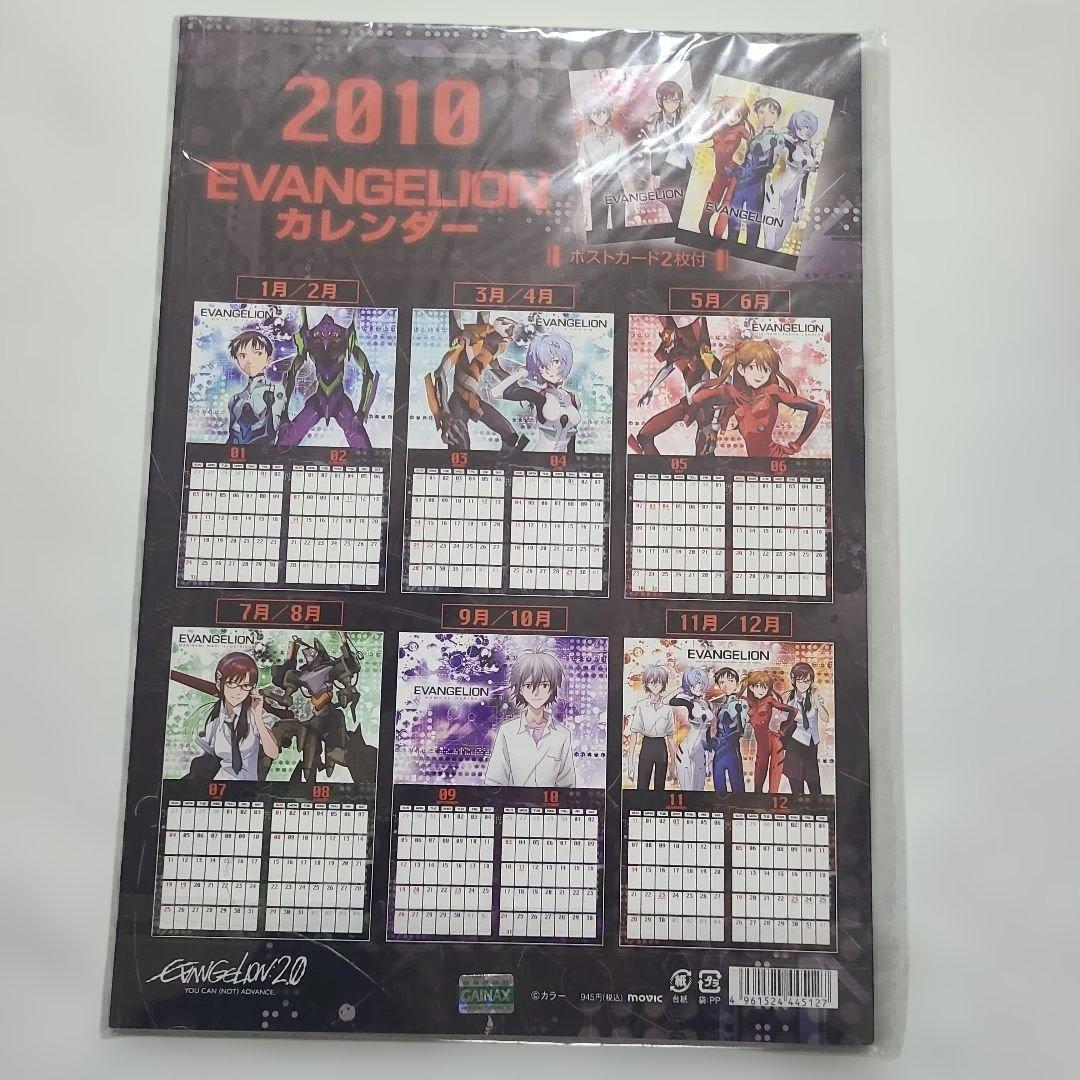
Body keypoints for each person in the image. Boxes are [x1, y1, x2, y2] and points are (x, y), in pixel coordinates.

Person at [687, 339, 824, 458]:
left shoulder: (773, 392)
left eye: (766, 369)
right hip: (754, 463)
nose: (759, 375)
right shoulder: (738, 395)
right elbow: (697, 398)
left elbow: (817, 409)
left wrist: (797, 444)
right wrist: (725, 389)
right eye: (752, 367)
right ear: (741, 370)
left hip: (776, 458)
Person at [485, 646, 576, 787]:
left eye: (544, 685)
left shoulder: (563, 735)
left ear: (552, 688)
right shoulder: (507, 732)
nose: (536, 693)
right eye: (528, 685)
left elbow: (567, 785)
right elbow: (494, 781)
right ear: (520, 689)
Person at [190, 652, 279, 781]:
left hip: (249, 786)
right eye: (232, 683)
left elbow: (273, 753)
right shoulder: (214, 724)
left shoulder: (254, 716)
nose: (238, 691)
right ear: (219, 683)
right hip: (220, 783)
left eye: (245, 686)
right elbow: (205, 762)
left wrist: (258, 717)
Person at [491, 332, 581, 452]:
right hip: (537, 458)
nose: (546, 370)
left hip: (560, 461)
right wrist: (520, 374)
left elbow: (572, 439)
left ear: (565, 361)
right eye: (541, 366)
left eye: (554, 361)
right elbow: (496, 393)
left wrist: (571, 460)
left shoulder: (573, 399)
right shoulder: (539, 396)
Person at [726, 96, 785, 247]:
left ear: (777, 117)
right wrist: (736, 171)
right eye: (761, 112)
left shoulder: (778, 139)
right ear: (757, 114)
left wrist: (756, 162)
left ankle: (748, 255)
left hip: (757, 186)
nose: (766, 116)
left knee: (752, 225)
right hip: (741, 185)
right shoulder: (753, 139)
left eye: (771, 113)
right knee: (733, 220)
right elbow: (747, 163)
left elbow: (769, 165)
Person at [763, 109, 822, 251]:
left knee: (781, 236)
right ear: (796, 125)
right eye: (804, 127)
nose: (807, 131)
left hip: (793, 195)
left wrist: (801, 205)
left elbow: (805, 179)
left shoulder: (809, 150)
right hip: (777, 188)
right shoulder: (786, 142)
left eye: (810, 128)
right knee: (770, 237)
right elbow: (778, 163)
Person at [697, 95, 753, 237]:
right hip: (720, 174)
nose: (733, 118)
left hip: (734, 173)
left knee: (726, 207)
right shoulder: (714, 125)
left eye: (738, 115)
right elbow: (699, 131)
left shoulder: (740, 129)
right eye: (729, 112)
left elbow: (755, 143)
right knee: (711, 202)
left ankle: (717, 237)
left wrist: (746, 164)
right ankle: (705, 231)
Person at [638, 80, 692, 223]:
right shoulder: (655, 121)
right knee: (672, 203)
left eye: (675, 101)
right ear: (660, 101)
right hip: (668, 167)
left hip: (689, 166)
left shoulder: (686, 117)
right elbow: (655, 150)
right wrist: (655, 176)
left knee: (690, 205)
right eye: (668, 101)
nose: (672, 105)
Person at [578, 97, 632, 233]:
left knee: (619, 218)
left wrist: (628, 186)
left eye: (603, 112)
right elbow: (583, 166)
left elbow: (624, 163)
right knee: (598, 219)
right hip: (597, 180)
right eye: (595, 113)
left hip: (615, 179)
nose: (600, 116)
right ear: (589, 116)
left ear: (608, 113)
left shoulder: (618, 138)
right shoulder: (586, 141)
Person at [226, 329, 287, 447]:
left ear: (268, 359)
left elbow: (276, 428)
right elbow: (231, 433)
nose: (250, 361)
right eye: (243, 355)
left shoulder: (275, 390)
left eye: (257, 353)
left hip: (263, 451)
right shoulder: (235, 399)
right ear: (237, 360)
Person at [743, 670, 798, 794]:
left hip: (774, 743)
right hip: (761, 745)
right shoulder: (747, 702)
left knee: (773, 787)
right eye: (758, 686)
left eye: (765, 687)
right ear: (751, 688)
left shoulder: (769, 700)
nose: (762, 690)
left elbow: (793, 711)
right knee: (757, 786)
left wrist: (783, 729)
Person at [781, 661, 829, 795]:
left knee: (813, 781)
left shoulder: (815, 698)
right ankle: (798, 806)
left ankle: (817, 806)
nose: (803, 684)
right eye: (800, 681)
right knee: (796, 781)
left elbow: (825, 718)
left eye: (807, 681)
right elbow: (780, 720)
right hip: (795, 742)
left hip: (811, 743)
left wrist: (816, 701)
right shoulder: (787, 698)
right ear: (793, 680)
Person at [626, 664, 677, 791]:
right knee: (642, 786)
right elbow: (634, 734)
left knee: (660, 787)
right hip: (647, 745)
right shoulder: (641, 706)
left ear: (663, 683)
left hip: (661, 747)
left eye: (659, 682)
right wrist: (630, 762)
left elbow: (670, 737)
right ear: (647, 683)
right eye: (651, 682)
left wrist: (673, 764)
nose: (655, 685)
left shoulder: (667, 709)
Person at [703, 667, 749, 793]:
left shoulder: (741, 704)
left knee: (737, 789)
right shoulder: (721, 706)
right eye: (722, 682)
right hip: (719, 751)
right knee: (719, 787)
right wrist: (711, 740)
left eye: (730, 680)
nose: (726, 685)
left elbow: (740, 731)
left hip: (731, 750)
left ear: (737, 683)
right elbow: (718, 728)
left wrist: (721, 741)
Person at [669, 667, 713, 791]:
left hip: (701, 748)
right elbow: (669, 701)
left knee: (699, 789)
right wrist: (680, 689)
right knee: (686, 789)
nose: (698, 687)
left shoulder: (707, 704)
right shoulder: (688, 702)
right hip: (686, 749)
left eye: (701, 684)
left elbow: (708, 733)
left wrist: (710, 755)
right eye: (694, 685)